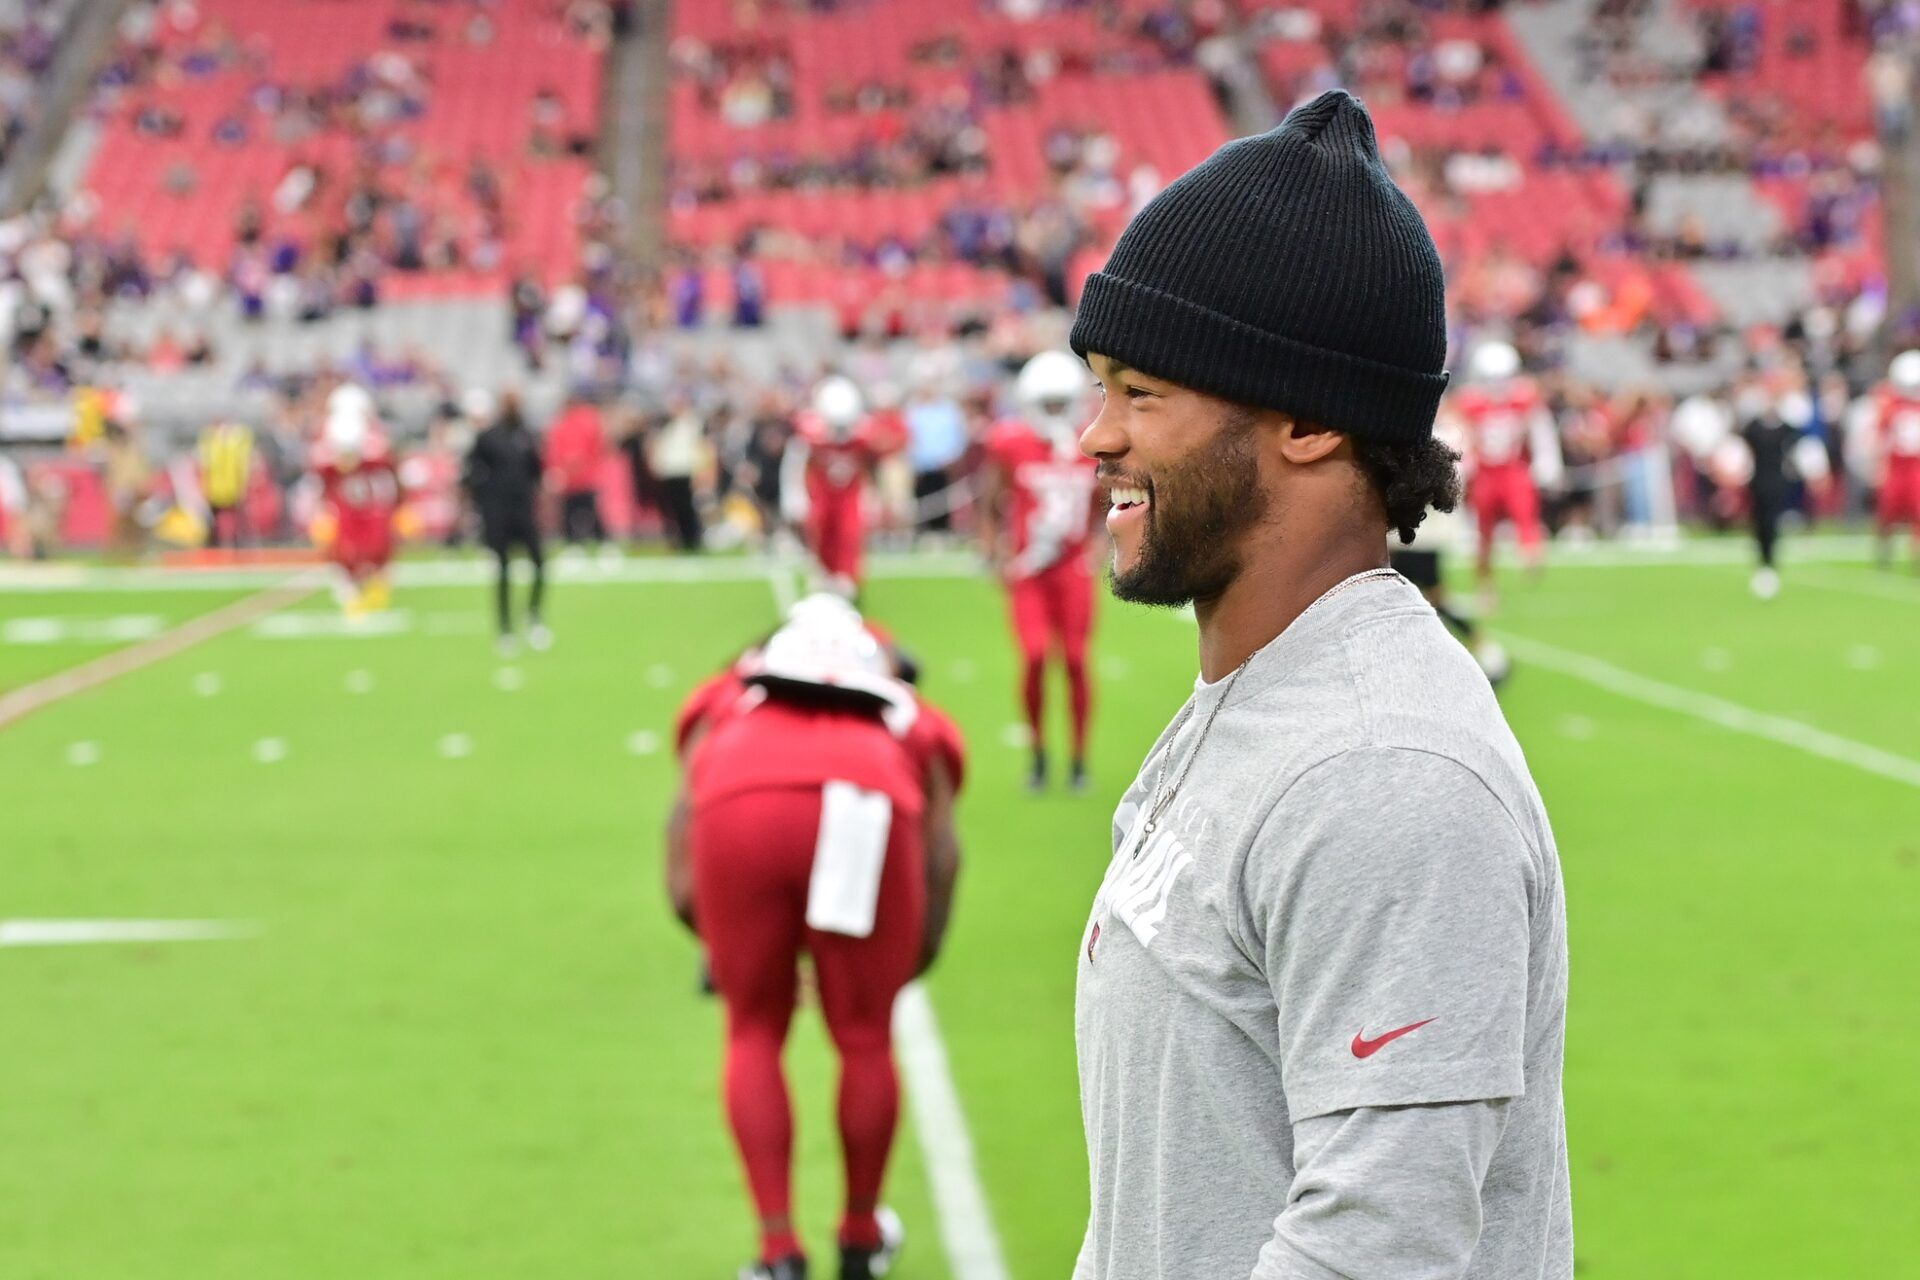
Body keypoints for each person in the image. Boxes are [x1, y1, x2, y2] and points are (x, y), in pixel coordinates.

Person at [1067, 91, 1569, 1278]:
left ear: (1304, 420)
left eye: (1143, 392)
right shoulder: (1262, 691)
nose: (1095, 435)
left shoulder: (1381, 767)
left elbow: (1375, 1246)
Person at [667, 596, 965, 1280]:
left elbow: (682, 838)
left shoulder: (728, 692)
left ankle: (778, 1253)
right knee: (863, 1035)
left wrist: (721, 943)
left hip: (738, 797)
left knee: (753, 1030)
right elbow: (943, 852)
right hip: (869, 796)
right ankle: (859, 1238)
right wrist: (908, 959)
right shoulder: (902, 702)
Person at [982, 349, 1102, 791]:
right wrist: (993, 549)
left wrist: (1101, 545)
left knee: (1074, 660)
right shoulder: (1011, 443)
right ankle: (1037, 754)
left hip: (1072, 568)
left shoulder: (1091, 443)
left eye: (1059, 402)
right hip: (1029, 569)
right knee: (1034, 657)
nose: (1054, 411)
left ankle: (1078, 759)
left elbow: (1109, 502)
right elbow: (991, 499)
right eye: (1047, 403)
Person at [1452, 341, 1557, 606]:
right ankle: (1486, 585)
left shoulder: (1524, 397)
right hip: (1485, 471)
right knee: (1483, 533)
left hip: (1513, 467)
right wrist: (1462, 467)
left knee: (1526, 514)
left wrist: (1546, 462)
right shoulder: (1470, 401)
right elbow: (1461, 437)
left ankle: (1531, 554)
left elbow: (1541, 431)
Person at [464, 390, 551, 653]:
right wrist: (485, 499)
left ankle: (533, 616)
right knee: (503, 569)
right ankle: (505, 627)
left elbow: (537, 469)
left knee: (539, 562)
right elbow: (470, 472)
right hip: (498, 512)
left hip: (523, 510)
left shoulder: (525, 435)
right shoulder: (489, 437)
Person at [786, 376, 886, 595]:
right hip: (822, 489)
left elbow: (872, 462)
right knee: (820, 529)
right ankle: (824, 572)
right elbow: (799, 461)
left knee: (850, 531)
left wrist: (874, 495)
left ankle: (846, 576)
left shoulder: (863, 430)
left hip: (850, 491)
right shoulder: (811, 429)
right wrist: (796, 493)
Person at [310, 385, 401, 616]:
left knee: (378, 549)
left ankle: (374, 590)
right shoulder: (327, 435)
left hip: (370, 503)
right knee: (344, 553)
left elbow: (385, 462)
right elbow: (321, 469)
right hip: (345, 504)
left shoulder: (374, 436)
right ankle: (350, 594)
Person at [1871, 350, 1920, 570]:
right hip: (1897, 464)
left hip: (1916, 465)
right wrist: (1879, 465)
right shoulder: (1890, 404)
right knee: (1887, 511)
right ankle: (1884, 552)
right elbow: (1881, 435)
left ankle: (1915, 556)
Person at [545, 389, 610, 553]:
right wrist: (559, 468)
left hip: (586, 476)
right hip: (569, 479)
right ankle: (573, 543)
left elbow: (597, 447)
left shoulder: (588, 421)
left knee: (591, 510)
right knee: (569, 512)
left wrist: (583, 462)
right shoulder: (560, 423)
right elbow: (554, 450)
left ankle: (603, 542)